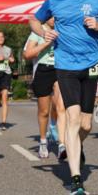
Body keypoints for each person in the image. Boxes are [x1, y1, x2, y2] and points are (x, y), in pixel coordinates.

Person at [30, 0, 98, 195]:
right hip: (66, 65)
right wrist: (44, 32)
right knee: (71, 117)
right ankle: (76, 179)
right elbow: (33, 20)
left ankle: (75, 147)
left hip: (91, 64)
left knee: (86, 124)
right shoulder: (55, 0)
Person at [23, 19, 59, 159]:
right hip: (43, 70)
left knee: (59, 106)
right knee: (44, 111)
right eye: (52, 15)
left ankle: (59, 136)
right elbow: (27, 54)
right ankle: (43, 141)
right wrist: (45, 44)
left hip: (60, 69)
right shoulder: (37, 32)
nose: (54, 19)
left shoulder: (62, 29)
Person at [0, 30, 15, 130]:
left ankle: (4, 122)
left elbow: (12, 58)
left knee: (5, 96)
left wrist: (12, 60)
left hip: (6, 73)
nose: (0, 39)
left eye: (2, 37)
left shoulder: (8, 49)